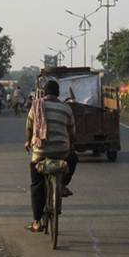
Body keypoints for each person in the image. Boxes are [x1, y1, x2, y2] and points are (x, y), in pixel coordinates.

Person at [24, 80, 78, 232]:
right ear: (58, 93)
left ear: (43, 93)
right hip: (62, 151)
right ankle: (62, 184)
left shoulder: (36, 106)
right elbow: (72, 131)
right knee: (73, 159)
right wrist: (70, 144)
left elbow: (29, 127)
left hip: (40, 152)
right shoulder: (66, 108)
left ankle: (36, 221)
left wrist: (28, 142)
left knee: (36, 184)